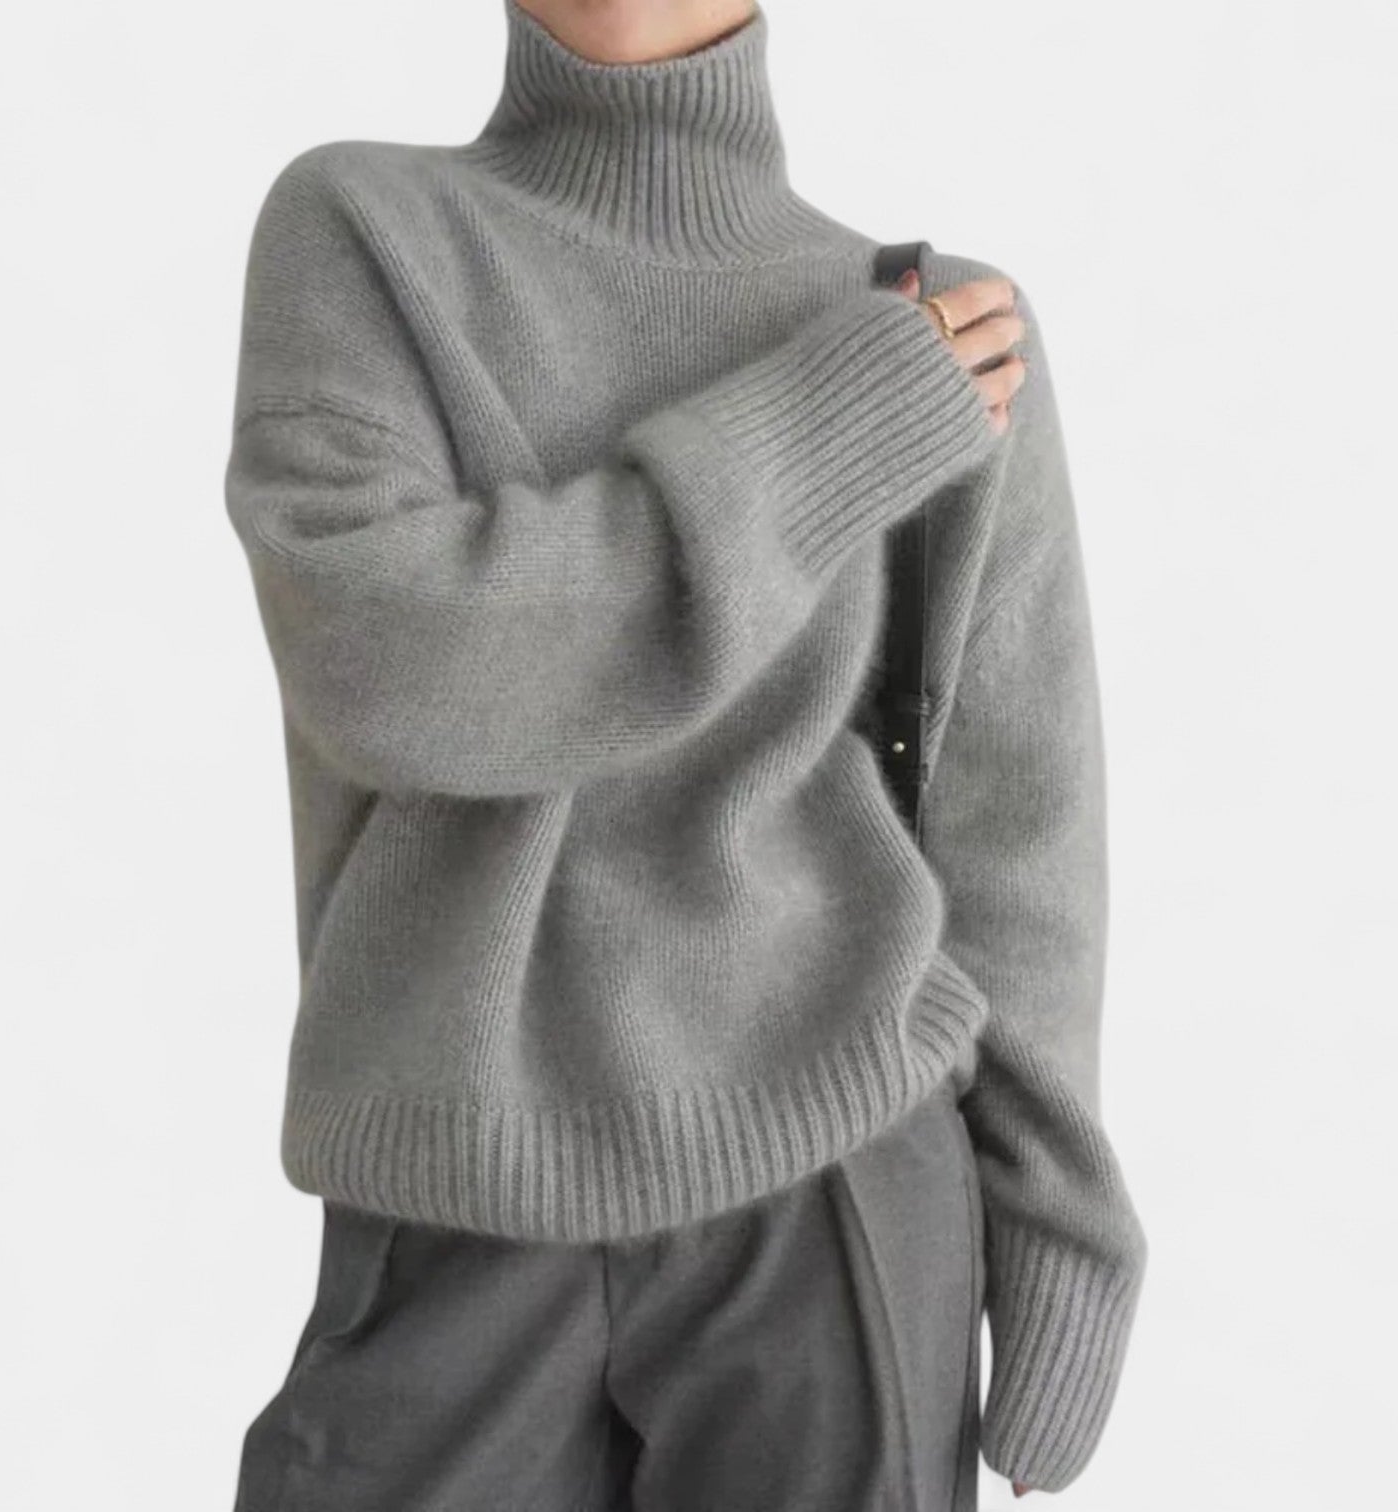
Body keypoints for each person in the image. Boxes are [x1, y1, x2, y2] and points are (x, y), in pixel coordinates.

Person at [222, 1, 1149, 1507]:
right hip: (451, 1178)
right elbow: (392, 666)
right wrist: (826, 434)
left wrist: (1064, 1224)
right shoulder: (364, 230)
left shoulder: (940, 320)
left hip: (839, 1172)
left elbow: (1019, 819)